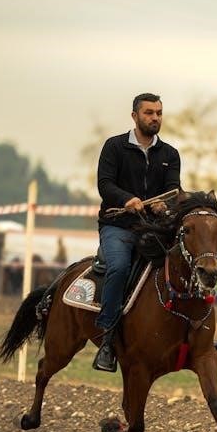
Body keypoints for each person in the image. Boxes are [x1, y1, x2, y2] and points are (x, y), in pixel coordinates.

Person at [93, 93, 181, 372]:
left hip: (153, 229)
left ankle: (197, 332)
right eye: (149, 113)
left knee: (186, 263)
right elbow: (105, 185)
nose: (155, 118)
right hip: (117, 226)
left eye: (159, 113)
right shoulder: (114, 146)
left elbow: (173, 190)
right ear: (134, 116)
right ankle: (107, 339)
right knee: (119, 267)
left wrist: (163, 204)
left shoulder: (170, 154)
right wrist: (126, 199)